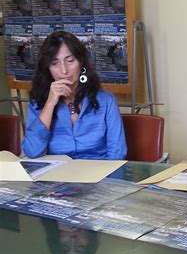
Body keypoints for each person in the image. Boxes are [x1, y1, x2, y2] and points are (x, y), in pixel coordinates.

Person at [22, 31, 127, 160]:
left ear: (81, 62)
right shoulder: (38, 101)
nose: (64, 70)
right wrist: (49, 104)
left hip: (98, 174)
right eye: (55, 63)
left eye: (70, 61)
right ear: (47, 68)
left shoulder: (106, 100)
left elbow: (117, 153)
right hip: (58, 175)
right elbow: (32, 152)